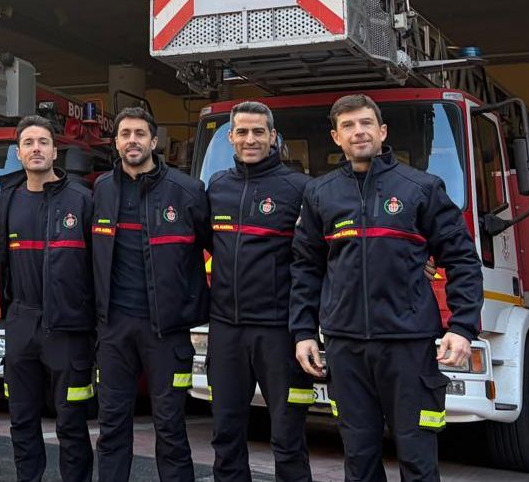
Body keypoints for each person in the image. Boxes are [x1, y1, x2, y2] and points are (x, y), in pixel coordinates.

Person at [292, 94, 483, 482]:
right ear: (336, 137)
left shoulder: (421, 188)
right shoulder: (320, 193)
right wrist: (303, 332)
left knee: (417, 456)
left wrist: (462, 327)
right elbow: (306, 268)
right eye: (348, 126)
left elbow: (462, 259)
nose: (358, 132)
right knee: (358, 458)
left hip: (408, 344)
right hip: (345, 346)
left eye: (366, 123)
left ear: (382, 131)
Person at [92, 106, 210, 482]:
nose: (132, 141)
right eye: (125, 134)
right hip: (114, 330)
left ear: (154, 141)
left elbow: (217, 252)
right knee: (111, 426)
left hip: (167, 333)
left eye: (140, 134)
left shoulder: (187, 191)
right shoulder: (101, 190)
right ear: (115, 143)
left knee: (171, 428)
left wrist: (194, 303)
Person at [205, 101, 314, 482]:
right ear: (231, 137)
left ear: (273, 137)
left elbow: (323, 252)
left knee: (287, 437)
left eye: (258, 132)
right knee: (226, 434)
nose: (250, 139)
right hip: (226, 330)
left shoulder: (300, 189)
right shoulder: (217, 187)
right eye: (242, 132)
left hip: (278, 332)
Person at [0, 116, 94, 482]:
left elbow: (97, 266)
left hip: (69, 328)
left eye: (43, 142)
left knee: (71, 421)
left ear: (54, 151)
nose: (36, 148)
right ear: (19, 154)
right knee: (21, 419)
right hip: (22, 322)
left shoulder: (82, 200)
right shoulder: (4, 202)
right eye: (28, 143)